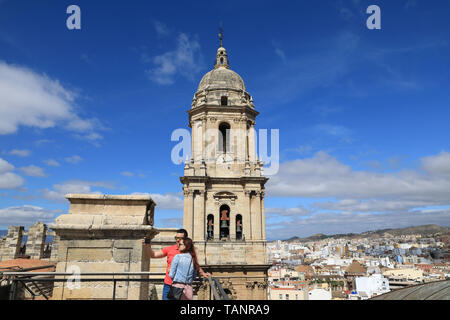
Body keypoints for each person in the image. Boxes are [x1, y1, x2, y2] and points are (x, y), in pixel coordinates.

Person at [142, 228, 210, 300]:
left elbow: (195, 264)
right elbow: (154, 255)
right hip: (168, 285)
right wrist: (148, 246)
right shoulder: (170, 249)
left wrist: (203, 273)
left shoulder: (188, 253)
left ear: (185, 239)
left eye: (180, 238)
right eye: (176, 238)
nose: (178, 240)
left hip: (182, 286)